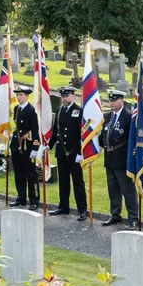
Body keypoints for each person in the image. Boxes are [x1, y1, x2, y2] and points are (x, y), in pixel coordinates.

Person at [100, 90, 138, 228]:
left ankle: (133, 218)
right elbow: (103, 136)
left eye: (114, 101)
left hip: (123, 161)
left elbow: (133, 140)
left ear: (121, 100)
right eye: (110, 101)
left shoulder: (129, 117)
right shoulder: (107, 116)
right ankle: (115, 215)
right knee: (113, 190)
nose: (112, 103)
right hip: (109, 159)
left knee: (128, 191)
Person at [50, 86, 88, 220]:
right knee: (63, 181)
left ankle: (82, 210)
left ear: (73, 96)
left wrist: (80, 152)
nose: (64, 99)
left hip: (74, 152)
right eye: (63, 96)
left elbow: (82, 134)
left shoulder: (79, 111)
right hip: (61, 152)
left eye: (66, 96)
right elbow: (56, 132)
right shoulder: (59, 110)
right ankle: (63, 206)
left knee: (78, 182)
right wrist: (48, 146)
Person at [9, 85, 41, 209]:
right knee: (19, 172)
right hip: (17, 144)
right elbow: (17, 127)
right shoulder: (17, 109)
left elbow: (35, 129)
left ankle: (34, 200)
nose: (19, 97)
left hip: (28, 145)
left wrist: (35, 148)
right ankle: (21, 197)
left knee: (31, 174)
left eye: (21, 95)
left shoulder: (31, 110)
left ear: (27, 96)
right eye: (17, 95)